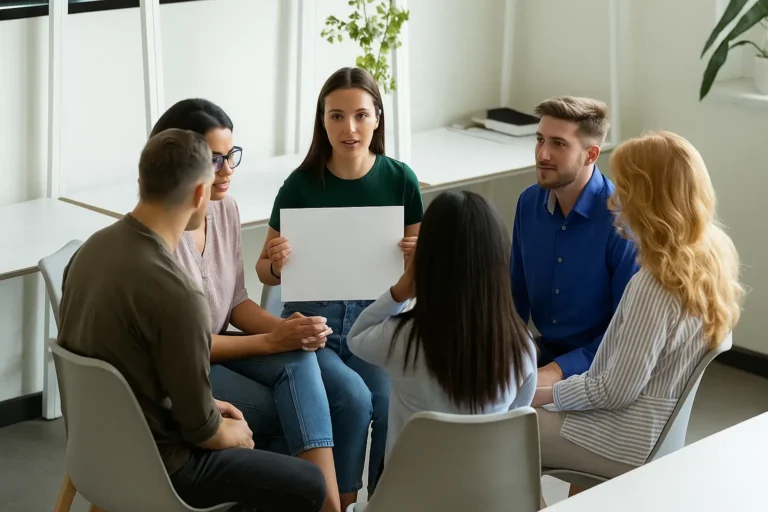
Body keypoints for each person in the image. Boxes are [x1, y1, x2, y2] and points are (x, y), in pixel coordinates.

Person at [57, 129, 326, 511]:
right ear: (201, 195)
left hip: (95, 449)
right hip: (164, 465)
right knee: (308, 482)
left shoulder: (88, 252)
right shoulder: (178, 293)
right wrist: (225, 429)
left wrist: (212, 407)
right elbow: (202, 432)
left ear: (142, 181)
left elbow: (134, 369)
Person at [148, 99, 345, 512]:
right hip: (187, 368)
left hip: (221, 347)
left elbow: (236, 301)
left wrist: (287, 329)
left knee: (301, 360)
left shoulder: (226, 209)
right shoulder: (162, 232)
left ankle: (325, 505)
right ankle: (309, 502)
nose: (227, 170)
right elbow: (191, 346)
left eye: (231, 155)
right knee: (286, 406)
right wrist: (274, 339)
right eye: (214, 158)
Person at [532, 131, 744, 487]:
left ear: (647, 196)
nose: (615, 198)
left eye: (625, 187)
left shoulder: (657, 283)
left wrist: (543, 393)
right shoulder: (710, 256)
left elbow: (614, 391)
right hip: (649, 430)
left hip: (621, 438)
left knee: (500, 428)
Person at [257, 67, 424, 507]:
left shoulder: (401, 179)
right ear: (322, 121)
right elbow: (261, 271)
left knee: (390, 405)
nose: (349, 128)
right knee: (352, 399)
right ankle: (342, 501)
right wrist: (276, 265)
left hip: (378, 326)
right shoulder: (299, 185)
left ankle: (388, 500)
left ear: (377, 118)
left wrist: (417, 256)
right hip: (316, 330)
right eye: (336, 116)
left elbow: (418, 274)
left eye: (360, 115)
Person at [346, 190, 537, 462]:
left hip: (411, 498)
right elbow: (514, 418)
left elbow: (356, 337)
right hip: (486, 500)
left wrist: (400, 291)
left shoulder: (402, 341)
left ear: (426, 261)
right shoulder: (521, 347)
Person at [510, 95, 640, 388]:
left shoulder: (622, 219)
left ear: (591, 155)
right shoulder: (528, 202)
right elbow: (515, 295)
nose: (542, 154)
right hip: (542, 353)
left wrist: (557, 370)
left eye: (558, 144)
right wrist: (506, 352)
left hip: (601, 365)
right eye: (540, 140)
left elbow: (625, 329)